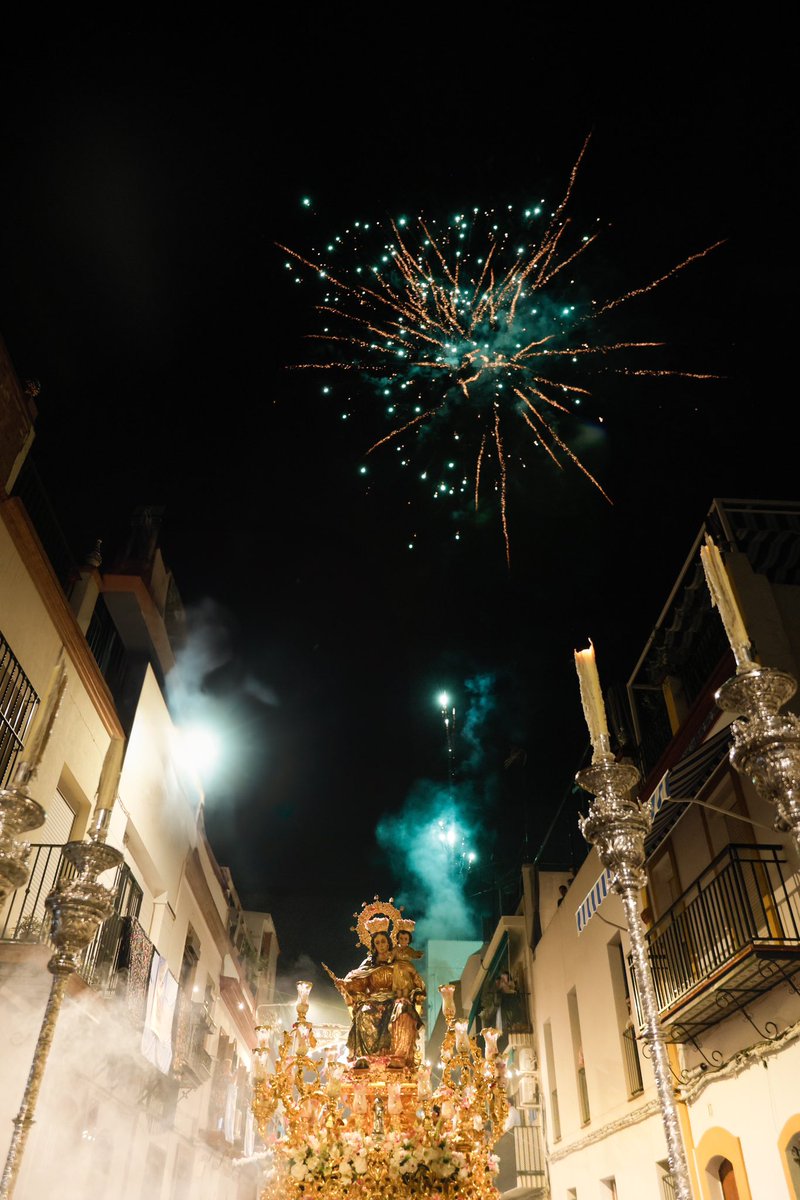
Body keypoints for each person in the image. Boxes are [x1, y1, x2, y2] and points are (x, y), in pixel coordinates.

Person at [339, 921, 425, 1069]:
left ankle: (398, 1057)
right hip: (373, 1001)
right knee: (363, 1013)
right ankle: (366, 1058)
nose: (381, 944)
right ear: (373, 945)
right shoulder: (369, 964)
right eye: (377, 942)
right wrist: (347, 986)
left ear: (389, 942)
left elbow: (415, 982)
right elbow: (360, 983)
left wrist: (417, 993)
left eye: (383, 941)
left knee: (403, 1009)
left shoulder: (398, 961)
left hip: (395, 998)